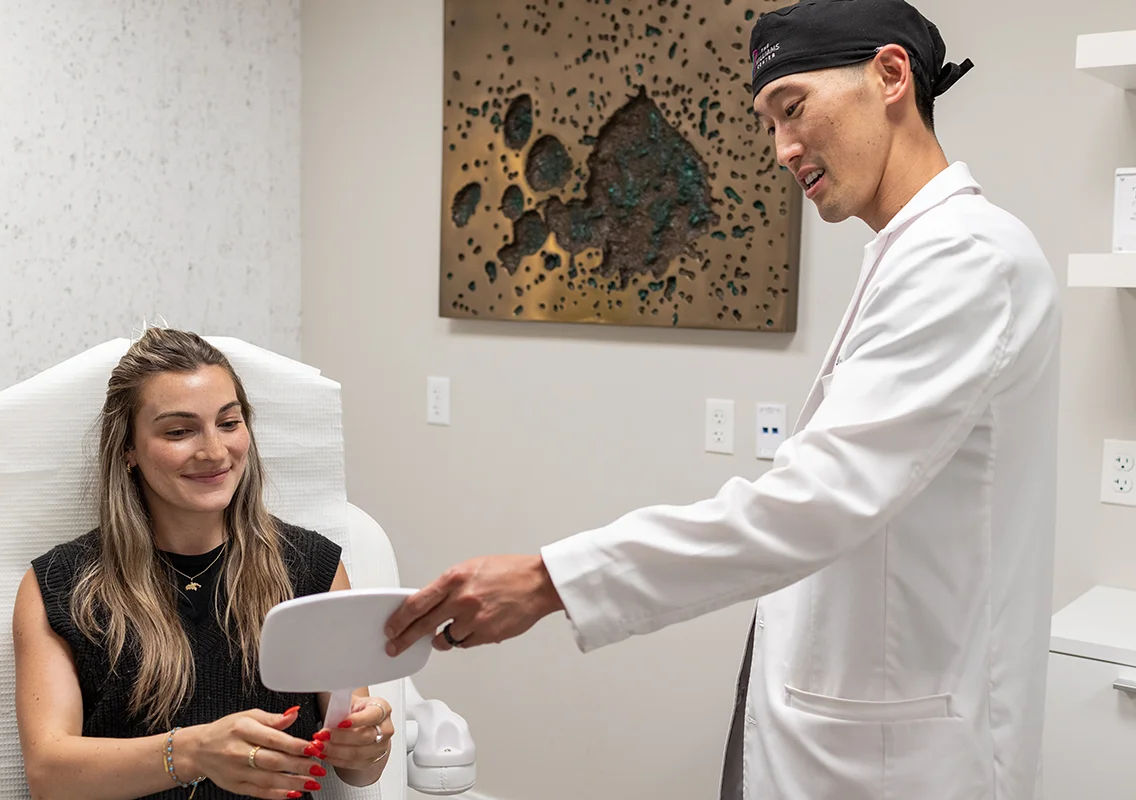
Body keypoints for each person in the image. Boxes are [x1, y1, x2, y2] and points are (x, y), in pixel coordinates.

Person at [385, 1, 1061, 798]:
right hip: (840, 719)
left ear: (890, 75)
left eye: (793, 107)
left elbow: (814, 501)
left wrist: (548, 580)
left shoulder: (967, 259)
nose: (782, 149)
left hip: (901, 754)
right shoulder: (911, 254)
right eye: (769, 121)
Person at [13, 327, 394, 800]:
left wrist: (367, 745)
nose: (215, 451)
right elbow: (49, 774)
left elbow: (360, 771)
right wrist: (192, 753)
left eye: (229, 423)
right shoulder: (61, 585)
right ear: (128, 449)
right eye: (179, 431)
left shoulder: (311, 569)